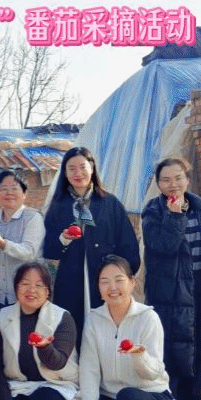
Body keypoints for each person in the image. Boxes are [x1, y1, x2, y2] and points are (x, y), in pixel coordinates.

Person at [142, 157, 201, 400]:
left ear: (187, 179)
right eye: (166, 180)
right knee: (169, 347)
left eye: (178, 178)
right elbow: (163, 246)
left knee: (196, 345)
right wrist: (174, 216)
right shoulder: (153, 212)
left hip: (199, 286)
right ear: (158, 184)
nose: (173, 184)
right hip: (168, 291)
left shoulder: (199, 208)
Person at [78, 255, 173, 400]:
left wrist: (140, 356)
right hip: (111, 398)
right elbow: (89, 370)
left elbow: (154, 372)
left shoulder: (148, 318)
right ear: (98, 287)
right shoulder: (94, 319)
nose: (112, 287)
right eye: (104, 281)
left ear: (132, 282)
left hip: (151, 397)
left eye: (119, 280)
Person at [43, 146, 140, 349]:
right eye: (71, 169)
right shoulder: (58, 206)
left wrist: (120, 279)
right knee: (72, 337)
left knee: (107, 337)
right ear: (65, 173)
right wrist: (63, 239)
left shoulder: (110, 203)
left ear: (93, 168)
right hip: (70, 282)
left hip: (105, 283)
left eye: (82, 167)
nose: (78, 173)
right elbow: (49, 250)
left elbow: (128, 246)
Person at [0, 262, 78, 400]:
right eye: (25, 284)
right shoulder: (3, 316)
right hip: (19, 385)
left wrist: (45, 347)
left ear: (47, 291)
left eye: (39, 285)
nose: (31, 290)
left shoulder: (62, 317)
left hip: (55, 385)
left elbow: (58, 362)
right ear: (16, 288)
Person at [0, 169, 45, 318]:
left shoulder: (33, 218)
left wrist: (1, 242)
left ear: (24, 193)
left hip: (26, 296)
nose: (9, 193)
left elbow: (29, 252)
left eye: (14, 188)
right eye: (4, 189)